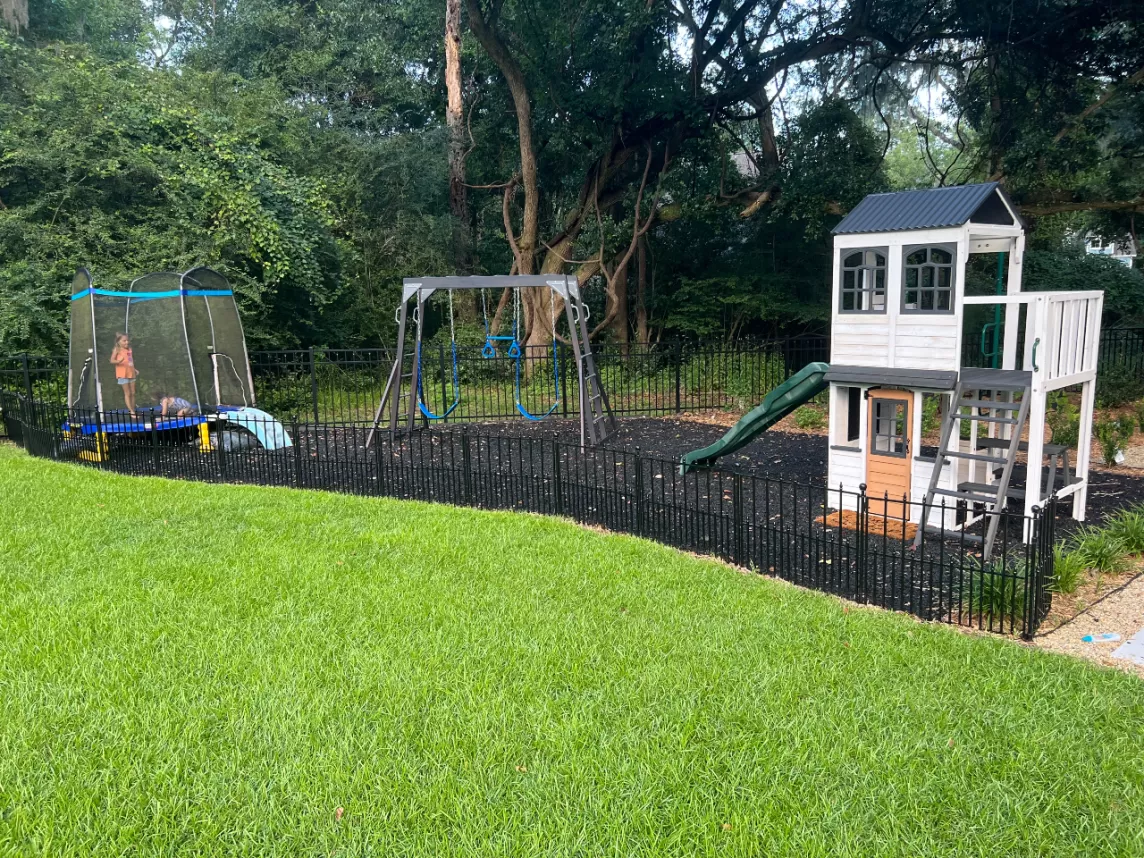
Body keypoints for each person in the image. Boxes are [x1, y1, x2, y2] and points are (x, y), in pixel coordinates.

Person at [109, 332, 138, 416]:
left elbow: (130, 360)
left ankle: (133, 409)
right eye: (124, 341)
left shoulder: (129, 349)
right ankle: (131, 411)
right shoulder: (117, 349)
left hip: (131, 372)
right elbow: (111, 360)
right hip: (122, 373)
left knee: (133, 392)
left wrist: (134, 369)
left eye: (127, 340)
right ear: (119, 342)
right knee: (127, 393)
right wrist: (119, 361)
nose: (126, 342)